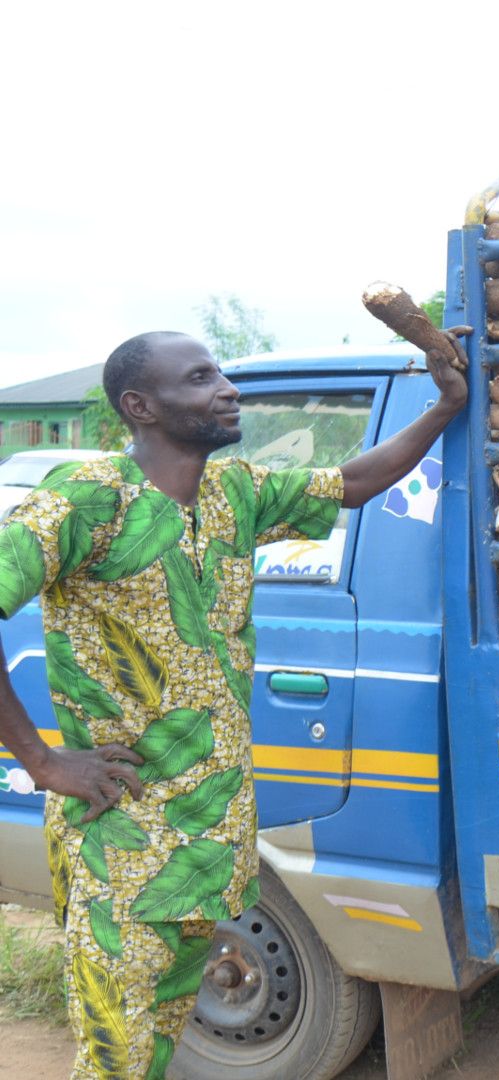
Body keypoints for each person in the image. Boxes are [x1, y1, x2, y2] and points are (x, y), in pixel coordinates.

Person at [0, 329, 466, 1079]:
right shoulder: (85, 502)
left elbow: (352, 482)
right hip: (124, 845)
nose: (227, 388)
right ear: (140, 406)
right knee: (115, 1059)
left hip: (213, 844)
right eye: (200, 378)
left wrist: (445, 407)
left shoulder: (233, 494)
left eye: (220, 371)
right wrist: (42, 759)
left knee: (162, 1042)